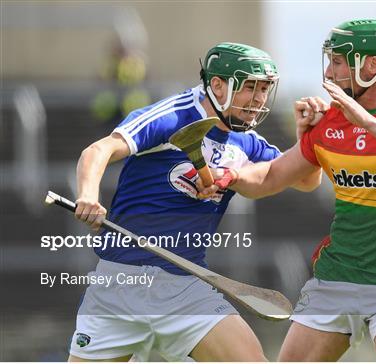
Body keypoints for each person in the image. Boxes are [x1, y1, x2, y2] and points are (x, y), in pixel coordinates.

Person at [201, 20, 376, 362]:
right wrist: (231, 175)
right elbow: (273, 175)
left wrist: (367, 121)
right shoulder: (329, 122)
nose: (328, 72)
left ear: (370, 65)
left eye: (338, 62)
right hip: (338, 279)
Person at [70, 42, 320, 362]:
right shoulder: (173, 115)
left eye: (264, 89)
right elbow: (97, 151)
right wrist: (88, 195)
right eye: (250, 88)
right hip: (119, 289)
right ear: (217, 85)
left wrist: (305, 138)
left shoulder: (245, 141)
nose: (258, 99)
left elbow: (307, 180)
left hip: (185, 290)